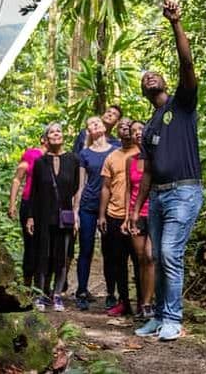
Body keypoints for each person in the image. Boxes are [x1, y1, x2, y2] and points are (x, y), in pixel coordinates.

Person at [133, 0, 203, 342]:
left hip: (185, 191)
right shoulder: (149, 127)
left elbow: (186, 64)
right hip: (158, 198)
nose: (150, 78)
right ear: (143, 91)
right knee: (158, 257)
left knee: (169, 252)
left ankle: (173, 317)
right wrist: (136, 210)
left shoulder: (183, 104)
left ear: (163, 83)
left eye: (154, 75)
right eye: (144, 78)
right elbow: (146, 172)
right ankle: (159, 317)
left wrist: (176, 22)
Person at [26, 122, 80, 312]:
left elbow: (77, 190)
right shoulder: (40, 162)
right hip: (43, 215)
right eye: (52, 132)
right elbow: (34, 192)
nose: (56, 134)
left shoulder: (73, 159)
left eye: (59, 131)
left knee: (62, 255)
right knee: (43, 255)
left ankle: (57, 295)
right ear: (46, 138)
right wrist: (30, 217)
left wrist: (76, 213)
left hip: (64, 216)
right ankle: (40, 294)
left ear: (63, 136)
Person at [99, 119, 141, 316]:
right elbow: (106, 187)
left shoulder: (141, 154)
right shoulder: (112, 157)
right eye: (121, 126)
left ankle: (143, 301)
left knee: (140, 259)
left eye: (128, 126)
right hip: (115, 214)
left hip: (137, 213)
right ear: (117, 131)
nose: (124, 128)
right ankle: (124, 301)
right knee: (118, 261)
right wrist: (102, 214)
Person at [74, 116, 116, 310]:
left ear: (104, 126)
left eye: (97, 121)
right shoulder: (85, 154)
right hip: (88, 205)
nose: (95, 124)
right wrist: (75, 211)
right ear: (88, 131)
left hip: (110, 207)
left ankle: (111, 294)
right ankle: (81, 291)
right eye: (90, 124)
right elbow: (81, 184)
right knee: (86, 249)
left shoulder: (115, 150)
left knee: (110, 252)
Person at [123, 121, 155, 318]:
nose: (137, 133)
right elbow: (128, 189)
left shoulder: (157, 157)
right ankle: (143, 303)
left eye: (140, 130)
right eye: (133, 131)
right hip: (137, 213)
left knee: (151, 256)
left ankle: (149, 303)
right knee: (141, 258)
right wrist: (128, 216)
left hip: (155, 212)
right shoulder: (131, 160)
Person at [7, 135, 47, 287]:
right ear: (43, 138)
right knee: (30, 245)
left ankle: (42, 286)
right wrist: (12, 204)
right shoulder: (31, 154)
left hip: (48, 206)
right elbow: (18, 178)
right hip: (29, 203)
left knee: (46, 245)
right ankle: (27, 285)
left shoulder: (57, 158)